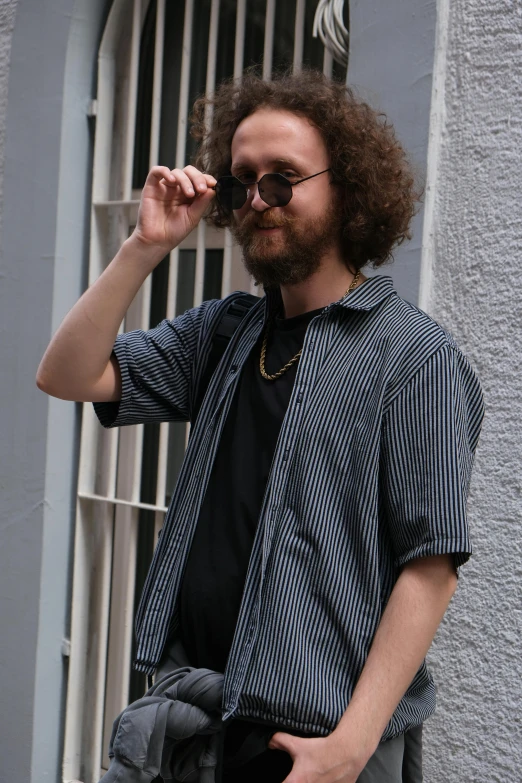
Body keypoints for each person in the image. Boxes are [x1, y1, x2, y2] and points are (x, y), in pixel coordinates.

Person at [37, 70, 483, 783]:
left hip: (314, 749)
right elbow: (66, 373)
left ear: (346, 189)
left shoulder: (414, 356)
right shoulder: (226, 332)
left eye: (283, 180)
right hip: (194, 728)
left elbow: (430, 566)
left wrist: (349, 746)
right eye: (242, 180)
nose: (257, 200)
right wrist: (147, 245)